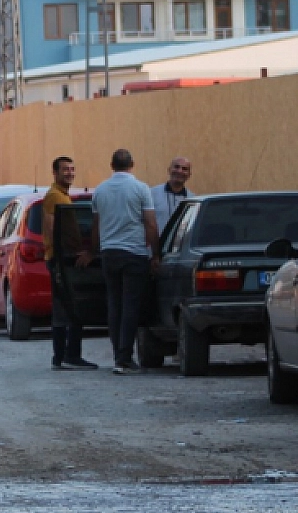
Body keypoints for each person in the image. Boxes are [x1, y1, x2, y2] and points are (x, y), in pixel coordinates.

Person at [89, 148, 157, 373]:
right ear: (132, 164)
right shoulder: (140, 189)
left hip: (109, 253)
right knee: (130, 305)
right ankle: (124, 358)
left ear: (111, 165)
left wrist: (94, 251)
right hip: (134, 253)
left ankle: (118, 352)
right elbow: (150, 223)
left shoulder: (100, 190)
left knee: (114, 304)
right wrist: (155, 253)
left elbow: (96, 226)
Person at [40, 156, 97, 370]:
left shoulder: (63, 196)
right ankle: (65, 356)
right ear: (54, 173)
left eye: (72, 169)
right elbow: (52, 228)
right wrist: (64, 256)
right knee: (66, 307)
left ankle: (67, 355)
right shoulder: (55, 196)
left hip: (65, 258)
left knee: (70, 307)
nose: (70, 173)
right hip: (60, 260)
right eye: (65, 169)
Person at [152, 156, 193, 236]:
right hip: (157, 246)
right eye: (176, 167)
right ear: (169, 170)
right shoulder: (152, 194)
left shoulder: (192, 198)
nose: (180, 171)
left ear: (189, 175)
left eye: (184, 169)